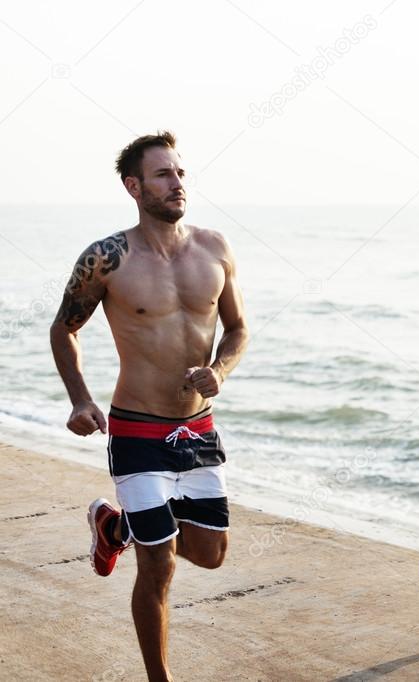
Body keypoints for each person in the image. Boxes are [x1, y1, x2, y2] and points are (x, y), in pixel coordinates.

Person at [49, 131, 249, 681]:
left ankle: (114, 527)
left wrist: (220, 371)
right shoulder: (107, 258)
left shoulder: (214, 248)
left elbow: (236, 329)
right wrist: (80, 400)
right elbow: (64, 330)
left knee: (211, 553)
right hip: (136, 426)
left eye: (180, 172)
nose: (177, 183)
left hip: (197, 428)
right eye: (163, 175)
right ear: (134, 187)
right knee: (157, 563)